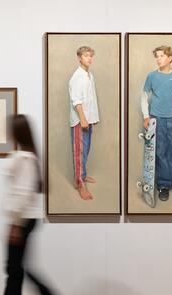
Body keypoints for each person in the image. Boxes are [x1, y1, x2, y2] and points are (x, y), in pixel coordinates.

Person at [0, 115, 78, 295]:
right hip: (24, 220)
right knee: (16, 271)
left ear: (17, 133)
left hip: (23, 220)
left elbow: (23, 194)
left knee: (17, 271)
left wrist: (15, 224)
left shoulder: (25, 158)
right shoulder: (29, 157)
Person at [140, 45, 172, 202]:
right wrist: (146, 117)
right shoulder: (151, 76)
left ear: (170, 58)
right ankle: (163, 185)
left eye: (161, 56)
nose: (158, 58)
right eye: (156, 56)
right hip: (156, 119)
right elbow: (143, 97)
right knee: (160, 152)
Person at [68, 46, 100, 200]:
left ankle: (83, 175)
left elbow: (91, 98)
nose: (89, 58)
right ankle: (80, 183)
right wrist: (83, 119)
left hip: (89, 120)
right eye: (86, 55)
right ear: (79, 58)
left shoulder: (89, 75)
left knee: (86, 149)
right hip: (80, 122)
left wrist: (92, 118)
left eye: (90, 56)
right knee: (79, 152)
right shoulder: (77, 77)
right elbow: (77, 101)